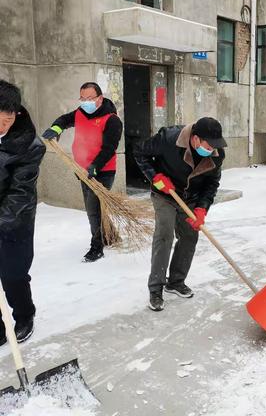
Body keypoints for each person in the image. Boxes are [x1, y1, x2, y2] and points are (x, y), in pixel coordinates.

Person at [134, 117, 226, 312]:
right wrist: (155, 177)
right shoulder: (168, 138)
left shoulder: (217, 154)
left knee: (189, 236)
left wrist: (202, 208)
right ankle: (156, 288)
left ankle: (175, 282)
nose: (212, 150)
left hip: (191, 198)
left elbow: (212, 184)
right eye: (208, 145)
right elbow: (139, 151)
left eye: (215, 146)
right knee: (164, 235)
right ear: (195, 139)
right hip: (165, 194)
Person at [42, 82, 123, 262]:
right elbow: (64, 120)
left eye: (90, 99)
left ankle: (97, 247)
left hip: (103, 171)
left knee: (93, 209)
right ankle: (109, 236)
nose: (85, 102)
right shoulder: (80, 113)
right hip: (81, 169)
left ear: (100, 98)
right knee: (96, 207)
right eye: (83, 98)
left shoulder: (112, 120)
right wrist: (55, 129)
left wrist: (95, 166)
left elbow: (110, 148)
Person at [0, 80, 46, 345]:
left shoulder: (29, 145)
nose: (3, 127)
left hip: (16, 218)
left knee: (13, 274)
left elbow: (20, 192)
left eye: (8, 120)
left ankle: (24, 316)